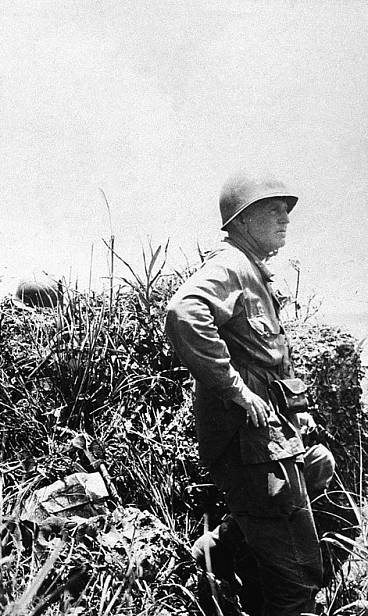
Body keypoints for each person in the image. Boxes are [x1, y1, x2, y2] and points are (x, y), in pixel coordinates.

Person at [165, 171, 325, 615]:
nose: (284, 218)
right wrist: (237, 392)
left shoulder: (254, 273)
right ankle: (223, 560)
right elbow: (183, 313)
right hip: (249, 441)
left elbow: (267, 356)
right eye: (272, 209)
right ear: (241, 220)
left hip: (269, 436)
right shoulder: (230, 266)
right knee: (296, 575)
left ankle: (215, 552)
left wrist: (296, 408)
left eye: (286, 210)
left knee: (317, 468)